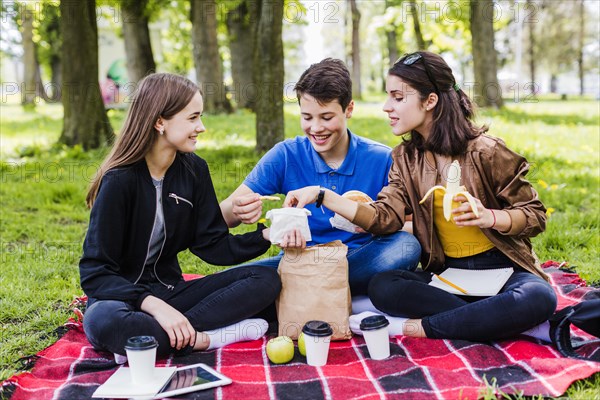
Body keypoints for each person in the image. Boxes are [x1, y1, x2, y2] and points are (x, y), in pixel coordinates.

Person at [284, 51, 557, 342]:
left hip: (503, 270)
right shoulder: (404, 158)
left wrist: (490, 216)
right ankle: (500, 320)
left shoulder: (487, 151)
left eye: (398, 98)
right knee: (384, 286)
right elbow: (384, 218)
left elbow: (534, 215)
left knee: (538, 296)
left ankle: (414, 328)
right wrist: (322, 195)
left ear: (430, 101)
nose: (387, 107)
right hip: (449, 275)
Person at [79, 73, 297, 359]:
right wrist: (153, 305)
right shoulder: (119, 181)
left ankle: (158, 341)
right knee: (105, 323)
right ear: (160, 122)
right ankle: (209, 337)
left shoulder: (194, 170)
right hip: (119, 300)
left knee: (265, 279)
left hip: (171, 291)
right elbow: (95, 273)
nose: (201, 127)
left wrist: (266, 236)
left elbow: (212, 245)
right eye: (193, 118)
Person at [220, 58, 421, 296]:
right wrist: (239, 209)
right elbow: (220, 218)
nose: (316, 128)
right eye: (307, 117)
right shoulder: (285, 155)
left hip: (357, 259)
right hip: (300, 262)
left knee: (405, 247)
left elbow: (411, 227)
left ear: (349, 109)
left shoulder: (381, 158)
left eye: (326, 118)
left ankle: (301, 292)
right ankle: (328, 291)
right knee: (223, 283)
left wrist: (372, 224)